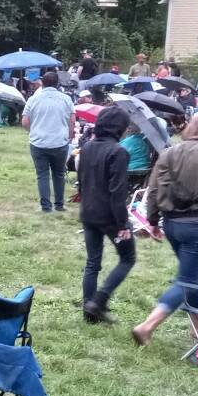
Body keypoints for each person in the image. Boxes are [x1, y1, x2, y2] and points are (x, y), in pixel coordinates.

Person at [131, 113, 198, 347]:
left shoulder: (169, 152)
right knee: (187, 281)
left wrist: (153, 221)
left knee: (195, 276)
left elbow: (154, 189)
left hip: (172, 223)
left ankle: (196, 328)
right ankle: (147, 326)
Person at [77, 106, 136, 323]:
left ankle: (89, 310)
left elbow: (82, 182)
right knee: (128, 258)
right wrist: (123, 224)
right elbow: (117, 192)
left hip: (89, 211)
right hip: (110, 217)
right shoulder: (119, 152)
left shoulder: (87, 147)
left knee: (93, 262)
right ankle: (98, 302)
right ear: (120, 128)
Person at [22, 70, 74, 212]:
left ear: (42, 83)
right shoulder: (66, 99)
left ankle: (45, 206)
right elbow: (72, 122)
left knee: (42, 174)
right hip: (60, 142)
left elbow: (25, 121)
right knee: (58, 174)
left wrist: (33, 131)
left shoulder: (33, 99)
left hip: (38, 142)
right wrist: (69, 137)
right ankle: (59, 204)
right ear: (57, 84)